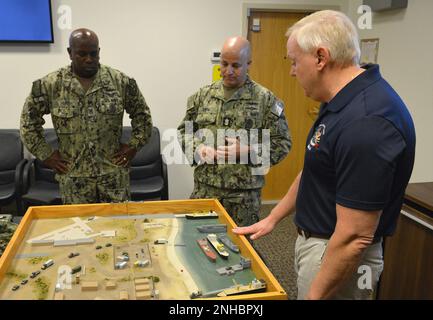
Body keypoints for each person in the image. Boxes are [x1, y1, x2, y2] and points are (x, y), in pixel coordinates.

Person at [233, 10, 416, 299]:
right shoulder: (339, 100)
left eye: (294, 61)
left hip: (338, 255)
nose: (292, 71)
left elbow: (355, 237)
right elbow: (315, 168)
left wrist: (314, 296)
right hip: (316, 244)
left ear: (320, 57)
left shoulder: (368, 121)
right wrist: (274, 217)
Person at [20, 28, 153, 204]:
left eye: (93, 53)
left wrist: (133, 147)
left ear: (99, 52)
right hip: (74, 180)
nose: (88, 59)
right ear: (70, 53)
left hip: (113, 178)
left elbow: (142, 116)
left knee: (119, 228)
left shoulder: (120, 82)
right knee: (79, 229)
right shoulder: (50, 85)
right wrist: (47, 156)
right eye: (81, 54)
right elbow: (28, 123)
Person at [177, 36, 291, 227]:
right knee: (200, 244)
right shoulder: (203, 96)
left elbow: (283, 142)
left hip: (243, 196)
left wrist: (250, 151)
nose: (228, 71)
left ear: (248, 64)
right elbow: (184, 131)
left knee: (241, 249)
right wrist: (199, 149)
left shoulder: (265, 100)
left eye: (236, 65)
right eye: (224, 64)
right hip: (206, 190)